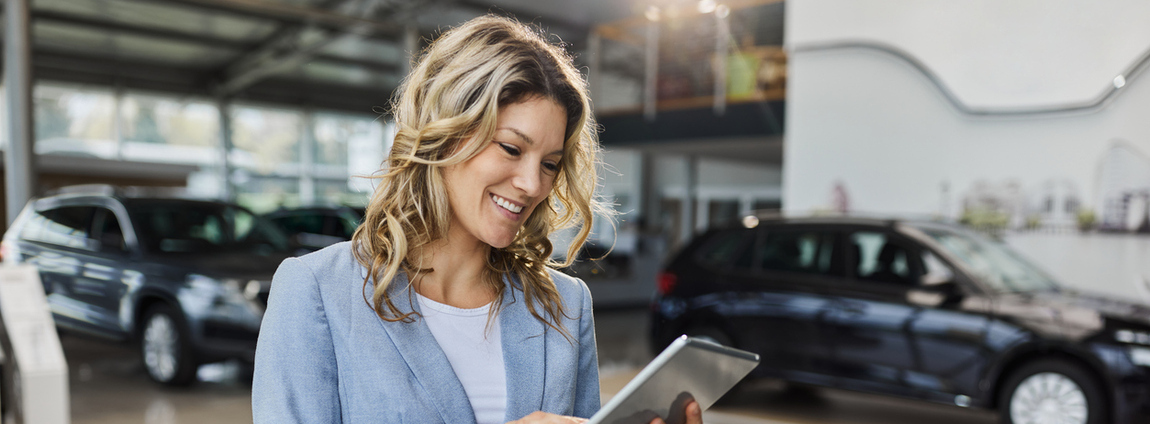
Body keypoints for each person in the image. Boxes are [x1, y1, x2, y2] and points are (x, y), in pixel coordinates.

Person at [252, 15, 704, 424]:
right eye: (511, 148)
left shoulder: (564, 306)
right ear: (444, 137)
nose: (533, 184)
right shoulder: (317, 292)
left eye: (550, 163)